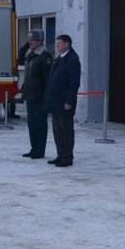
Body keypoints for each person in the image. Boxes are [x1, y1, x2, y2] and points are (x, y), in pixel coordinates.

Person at [45, 34, 81, 167]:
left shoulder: (72, 59)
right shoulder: (59, 59)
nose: (57, 45)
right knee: (57, 131)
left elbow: (74, 83)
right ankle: (60, 155)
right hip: (55, 101)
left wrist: (69, 101)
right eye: (57, 43)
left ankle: (67, 157)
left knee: (66, 131)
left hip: (64, 102)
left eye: (60, 43)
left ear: (67, 44)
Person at [19, 30, 53, 159]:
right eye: (29, 40)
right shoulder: (30, 54)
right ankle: (34, 148)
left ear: (40, 41)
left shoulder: (45, 56)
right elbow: (20, 58)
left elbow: (47, 79)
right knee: (32, 124)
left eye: (32, 40)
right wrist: (25, 46)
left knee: (40, 124)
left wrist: (46, 97)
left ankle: (40, 150)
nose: (30, 42)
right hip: (30, 94)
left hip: (40, 96)